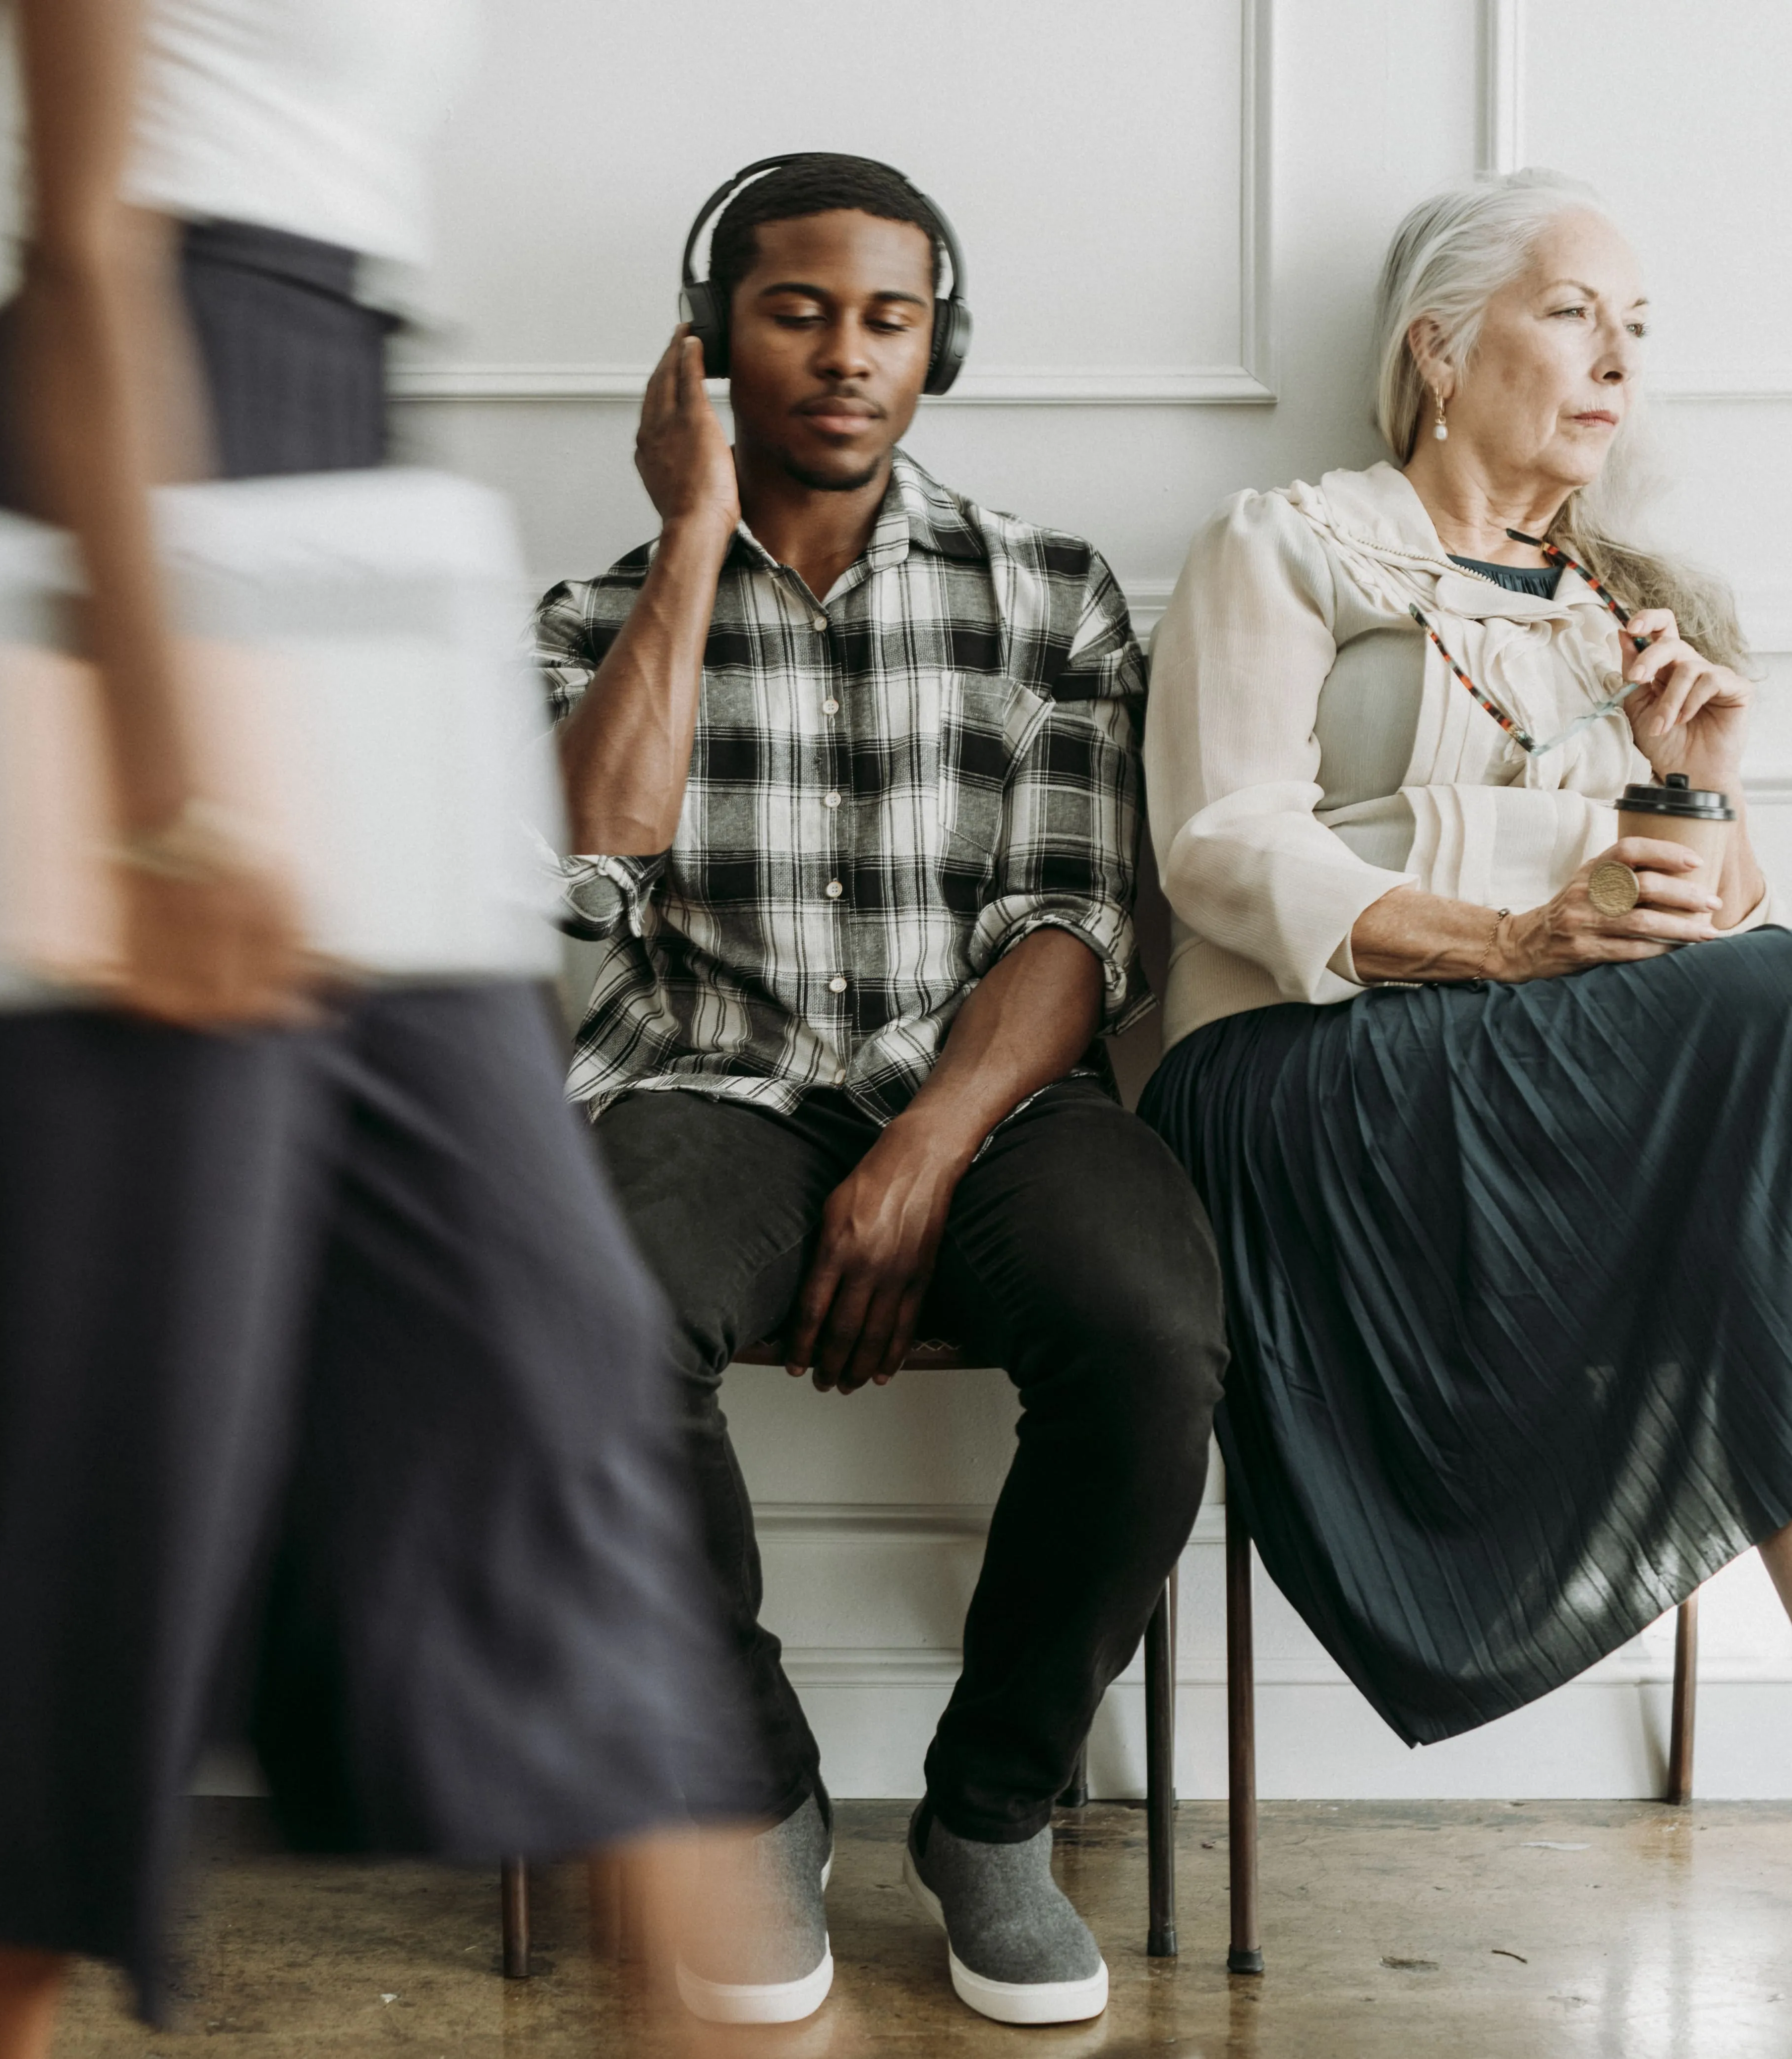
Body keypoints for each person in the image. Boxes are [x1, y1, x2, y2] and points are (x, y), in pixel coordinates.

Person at [1140, 167, 1792, 2057]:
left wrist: (1692, 791)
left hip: (1579, 1121)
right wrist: (1509, 937)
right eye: (1577, 313)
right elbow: (1217, 843)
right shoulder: (1293, 544)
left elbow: (1697, 931)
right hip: (1310, 1096)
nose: (1616, 360)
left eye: (1637, 331)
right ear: (1437, 346)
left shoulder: (1636, 614)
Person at [0, 6, 765, 2055]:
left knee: (550, 1355)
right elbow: (86, 242)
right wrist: (166, 781)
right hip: (127, 505)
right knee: (128, 1441)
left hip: (328, 493)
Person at [543, 152, 1227, 2030]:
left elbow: (1079, 920)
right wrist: (688, 545)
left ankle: (992, 1815)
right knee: (587, 1322)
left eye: (889, 318)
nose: (846, 356)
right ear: (708, 343)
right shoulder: (589, 613)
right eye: (794, 311)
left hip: (994, 1092)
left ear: (941, 345)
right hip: (709, 1079)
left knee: (1149, 1338)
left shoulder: (1055, 593)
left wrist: (922, 1150)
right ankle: (747, 1790)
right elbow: (589, 868)